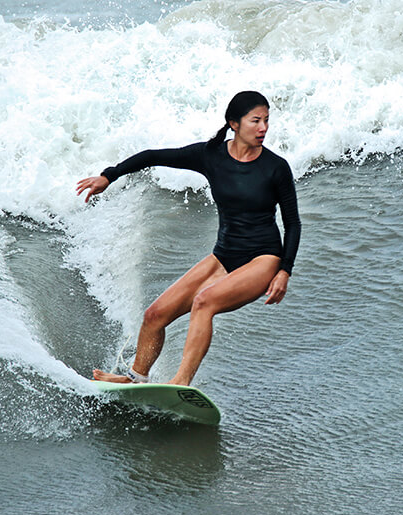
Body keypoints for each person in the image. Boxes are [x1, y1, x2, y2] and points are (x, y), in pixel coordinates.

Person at [76, 91, 301, 387]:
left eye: (267, 121)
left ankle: (180, 382)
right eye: (256, 121)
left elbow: (292, 223)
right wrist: (109, 175)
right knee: (155, 314)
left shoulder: (275, 167)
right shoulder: (211, 156)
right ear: (234, 123)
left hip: (264, 258)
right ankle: (135, 378)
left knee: (204, 301)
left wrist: (284, 270)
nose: (263, 128)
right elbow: (153, 156)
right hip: (224, 256)